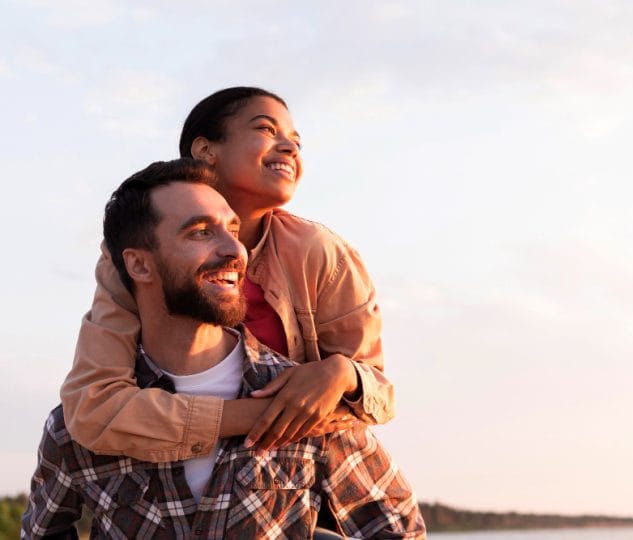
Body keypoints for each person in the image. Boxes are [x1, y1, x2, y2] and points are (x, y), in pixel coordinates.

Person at [22, 159, 425, 539]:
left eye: (233, 230)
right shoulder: (78, 425)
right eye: (200, 232)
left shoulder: (307, 403)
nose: (235, 251)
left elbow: (398, 528)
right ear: (139, 266)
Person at [60, 87, 395, 464]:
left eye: (295, 140)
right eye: (267, 130)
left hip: (298, 485)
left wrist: (341, 373)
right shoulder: (135, 253)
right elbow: (94, 406)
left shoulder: (321, 254)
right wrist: (259, 416)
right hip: (164, 478)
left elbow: (377, 396)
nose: (289, 147)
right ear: (206, 151)